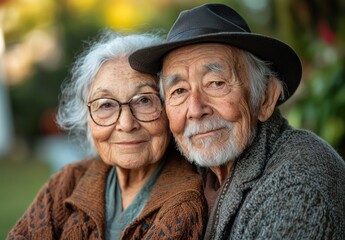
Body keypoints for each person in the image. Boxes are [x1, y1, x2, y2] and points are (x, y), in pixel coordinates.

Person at [129, 3, 345, 239]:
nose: (195, 109)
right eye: (179, 91)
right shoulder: (191, 173)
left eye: (216, 83)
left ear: (265, 97)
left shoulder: (298, 188)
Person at [7, 31, 207, 240]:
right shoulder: (67, 182)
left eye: (144, 101)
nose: (126, 124)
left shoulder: (185, 201)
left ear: (170, 108)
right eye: (106, 105)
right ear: (87, 118)